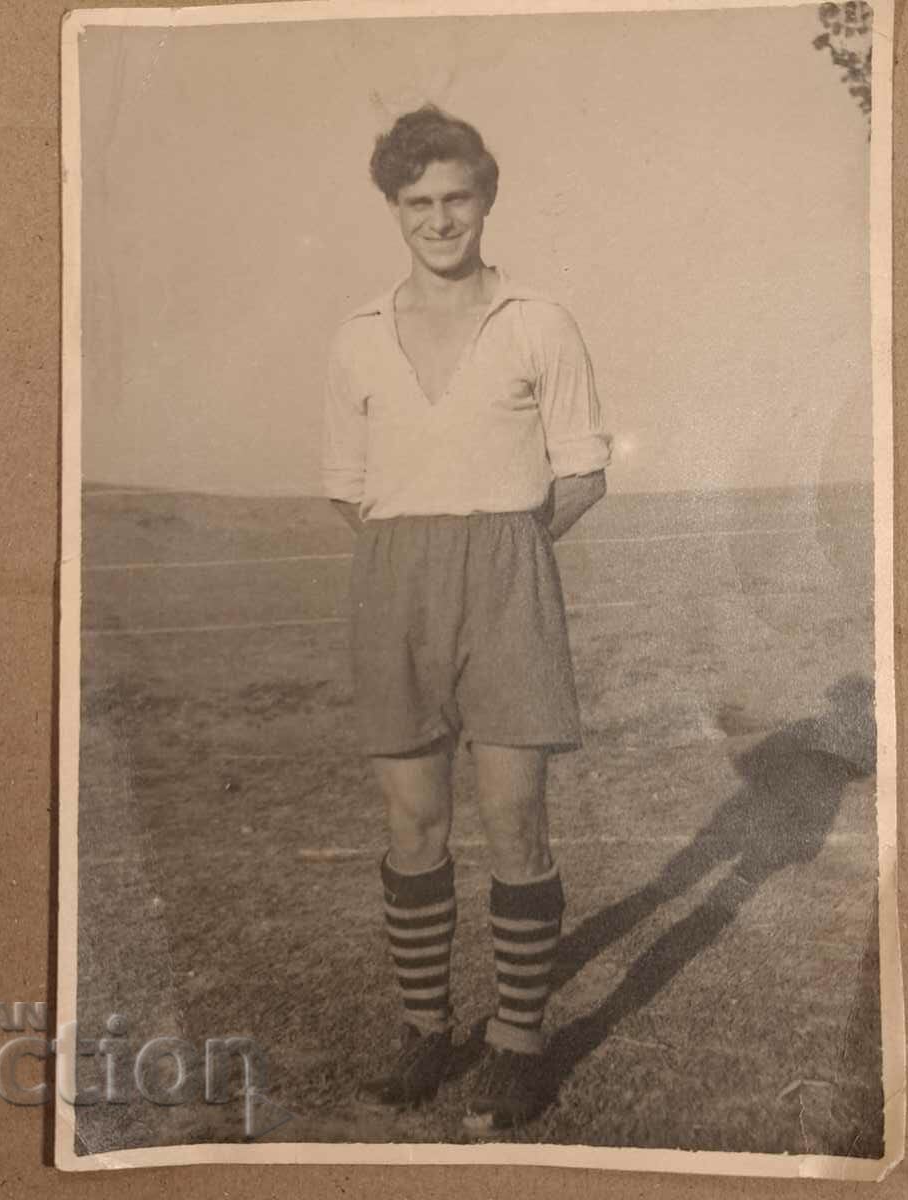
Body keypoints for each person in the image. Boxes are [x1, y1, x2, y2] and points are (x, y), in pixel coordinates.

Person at [321, 104, 611, 1132]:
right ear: (394, 211)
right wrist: (422, 549)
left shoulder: (539, 320)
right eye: (418, 204)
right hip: (395, 576)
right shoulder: (358, 337)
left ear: (486, 197)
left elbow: (583, 472)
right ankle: (424, 1029)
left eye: (457, 198)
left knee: (514, 819)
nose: (439, 219)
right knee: (413, 823)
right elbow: (348, 488)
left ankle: (519, 1046)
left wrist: (508, 553)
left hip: (508, 573)